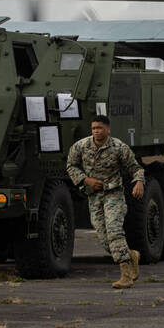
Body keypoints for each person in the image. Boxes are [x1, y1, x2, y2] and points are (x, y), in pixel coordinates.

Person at [67, 115, 145, 288]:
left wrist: (139, 182)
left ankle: (125, 276)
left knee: (114, 231)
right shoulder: (81, 146)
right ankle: (131, 255)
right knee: (105, 239)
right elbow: (71, 166)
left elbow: (135, 168)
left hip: (113, 194)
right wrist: (86, 180)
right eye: (94, 128)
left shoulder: (119, 147)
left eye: (100, 128)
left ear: (108, 129)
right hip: (94, 196)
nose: (96, 131)